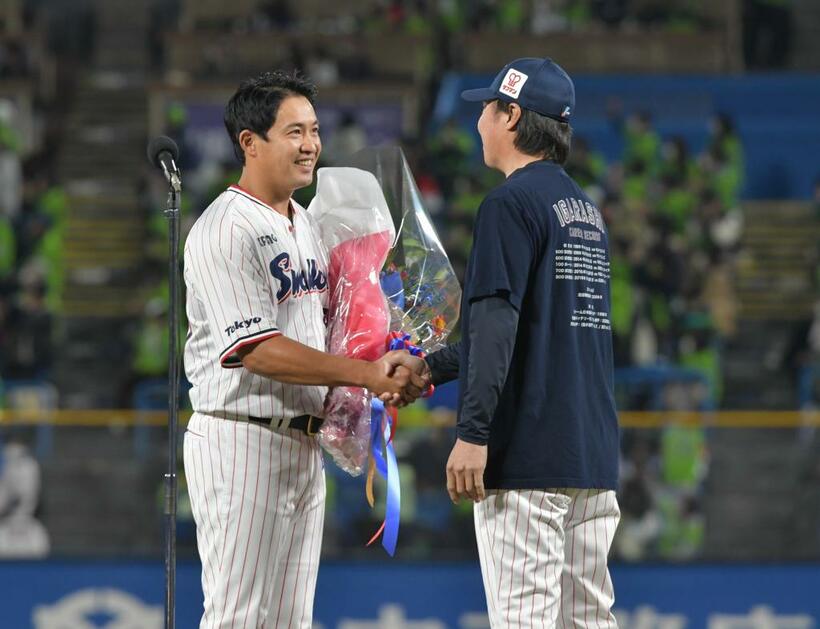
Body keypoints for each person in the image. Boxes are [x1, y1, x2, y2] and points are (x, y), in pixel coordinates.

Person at [182, 70, 428, 629]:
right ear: (251, 141)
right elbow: (257, 350)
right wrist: (366, 373)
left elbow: (331, 323)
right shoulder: (225, 228)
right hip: (241, 436)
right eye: (294, 132)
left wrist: (388, 351)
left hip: (302, 444)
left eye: (314, 130)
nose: (311, 144)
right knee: (238, 617)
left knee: (291, 620)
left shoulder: (308, 223)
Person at [424, 58, 621, 627]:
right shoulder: (585, 212)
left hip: (527, 460)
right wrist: (432, 368)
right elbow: (536, 329)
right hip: (590, 459)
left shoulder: (508, 204)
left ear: (511, 115)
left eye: (487, 108)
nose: (479, 120)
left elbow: (496, 327)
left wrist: (472, 433)